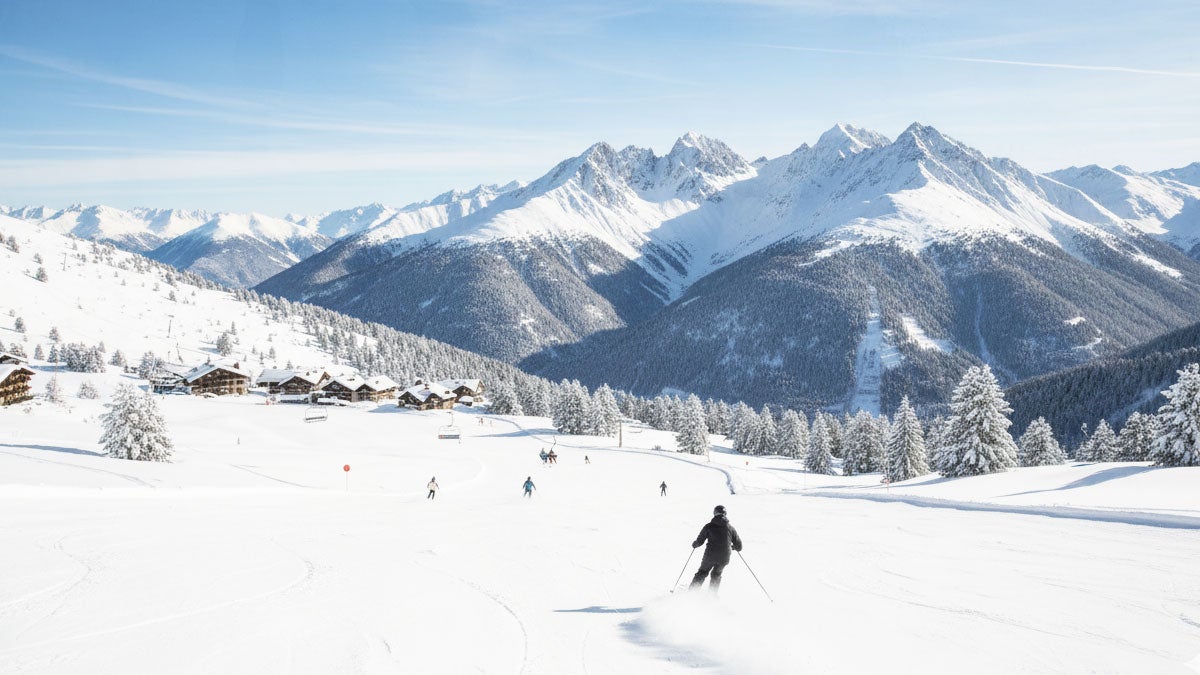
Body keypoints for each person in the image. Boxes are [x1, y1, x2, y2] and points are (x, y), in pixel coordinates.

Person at [690, 505, 742, 591]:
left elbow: (700, 541)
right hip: (724, 557)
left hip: (710, 555)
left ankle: (692, 592)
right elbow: (739, 546)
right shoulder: (731, 528)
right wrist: (732, 547)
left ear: (715, 513)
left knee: (702, 572)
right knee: (716, 575)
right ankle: (712, 596)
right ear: (725, 514)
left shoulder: (709, 526)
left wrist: (695, 544)